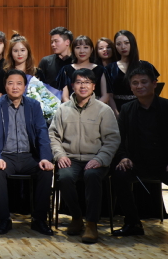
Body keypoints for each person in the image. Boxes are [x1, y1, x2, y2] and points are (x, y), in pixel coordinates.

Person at [111, 66, 168, 252]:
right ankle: (133, 223)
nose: (139, 86)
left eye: (144, 82)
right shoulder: (126, 109)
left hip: (166, 162)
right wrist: (124, 157)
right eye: (135, 83)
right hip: (137, 162)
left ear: (154, 84)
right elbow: (119, 138)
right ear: (130, 87)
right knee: (118, 175)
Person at [48, 68, 120, 244]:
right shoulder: (62, 109)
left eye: (87, 82)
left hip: (95, 159)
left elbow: (112, 139)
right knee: (64, 177)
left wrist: (100, 159)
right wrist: (60, 155)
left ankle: (91, 223)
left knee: (92, 176)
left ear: (93, 86)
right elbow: (53, 136)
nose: (83, 86)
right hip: (70, 158)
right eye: (79, 82)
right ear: (73, 85)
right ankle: (77, 217)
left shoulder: (104, 110)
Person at [0, 69, 55, 236]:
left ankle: (39, 220)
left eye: (19, 83)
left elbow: (42, 132)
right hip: (6, 156)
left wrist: (45, 158)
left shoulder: (33, 105)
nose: (15, 87)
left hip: (29, 156)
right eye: (10, 83)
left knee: (45, 171)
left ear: (25, 87)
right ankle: (4, 219)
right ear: (5, 86)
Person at [105, 30, 160, 115]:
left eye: (126, 43)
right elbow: (109, 95)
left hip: (142, 107)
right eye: (119, 44)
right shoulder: (110, 68)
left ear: (133, 44)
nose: (123, 47)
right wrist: (116, 114)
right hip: (119, 108)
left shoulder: (146, 66)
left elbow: (153, 90)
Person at [57, 36, 110, 104]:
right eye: (78, 47)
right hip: (72, 107)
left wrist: (93, 107)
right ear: (73, 50)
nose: (82, 51)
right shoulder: (66, 69)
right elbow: (64, 97)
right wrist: (73, 108)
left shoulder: (101, 70)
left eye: (86, 47)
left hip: (96, 107)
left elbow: (105, 96)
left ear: (91, 50)